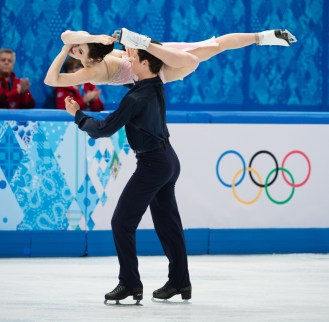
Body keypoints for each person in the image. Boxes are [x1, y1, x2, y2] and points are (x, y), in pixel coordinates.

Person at [64, 45, 191, 303]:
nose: (127, 58)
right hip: (168, 160)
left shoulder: (136, 98)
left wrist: (77, 115)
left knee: (121, 222)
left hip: (153, 165)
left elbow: (103, 129)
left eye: (133, 57)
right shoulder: (155, 84)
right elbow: (132, 82)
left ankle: (130, 283)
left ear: (145, 64)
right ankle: (180, 281)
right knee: (168, 225)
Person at [44, 28, 297, 88]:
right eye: (76, 50)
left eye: (79, 49)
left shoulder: (93, 58)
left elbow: (69, 35)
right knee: (192, 62)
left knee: (215, 45)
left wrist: (97, 38)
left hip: (146, 56)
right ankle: (145, 43)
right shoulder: (89, 70)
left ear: (92, 56)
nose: (75, 50)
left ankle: (263, 36)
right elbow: (51, 79)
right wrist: (65, 50)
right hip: (146, 72)